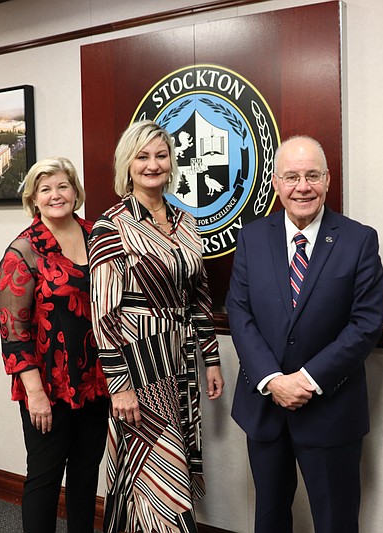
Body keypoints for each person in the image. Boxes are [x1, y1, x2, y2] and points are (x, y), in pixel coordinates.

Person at [226, 135, 383, 533]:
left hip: (331, 410)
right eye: (292, 177)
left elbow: (365, 324)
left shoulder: (358, 239)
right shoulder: (251, 237)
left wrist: (307, 380)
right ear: (276, 183)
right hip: (265, 407)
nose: (303, 187)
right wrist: (271, 379)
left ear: (328, 180)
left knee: (335, 522)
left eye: (312, 175)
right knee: (269, 517)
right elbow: (239, 311)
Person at [88, 120, 225, 533]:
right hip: (139, 364)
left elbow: (198, 297)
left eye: (161, 156)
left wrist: (211, 360)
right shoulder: (110, 226)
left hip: (179, 362)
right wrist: (119, 385)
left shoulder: (186, 221)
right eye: (142, 156)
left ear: (172, 163)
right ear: (126, 165)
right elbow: (103, 315)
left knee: (171, 461)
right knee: (150, 466)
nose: (153, 164)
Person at [0, 156, 109, 533]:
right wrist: (35, 393)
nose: (55, 195)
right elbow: (13, 331)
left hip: (96, 380)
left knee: (85, 473)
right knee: (44, 477)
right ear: (34, 198)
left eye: (63, 186)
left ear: (75, 192)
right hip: (47, 384)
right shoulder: (23, 250)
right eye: (45, 189)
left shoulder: (98, 235)